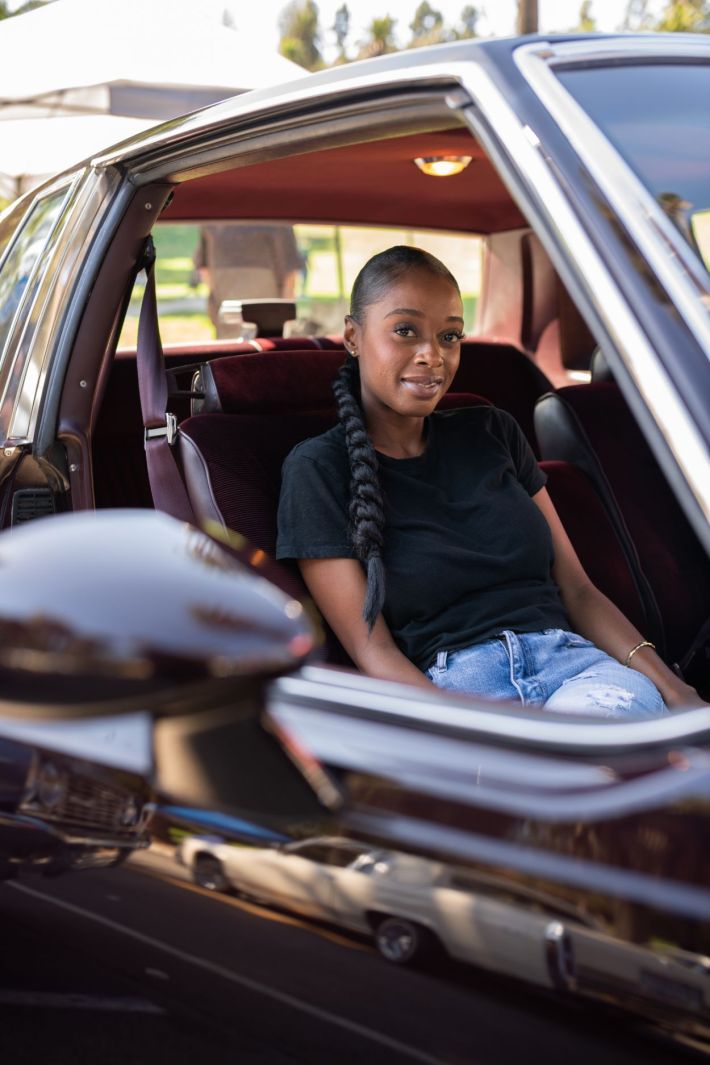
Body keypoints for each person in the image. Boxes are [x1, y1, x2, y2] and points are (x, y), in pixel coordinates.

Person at [276, 246, 702, 718]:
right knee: (569, 777)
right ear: (353, 337)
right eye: (405, 331)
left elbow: (579, 591)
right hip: (460, 691)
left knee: (602, 754)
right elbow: (374, 650)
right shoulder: (316, 469)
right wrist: (465, 738)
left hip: (578, 669)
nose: (432, 356)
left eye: (450, 336)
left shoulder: (492, 431)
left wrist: (671, 687)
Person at [193, 223, 305, 338]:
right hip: (266, 323)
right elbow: (290, 275)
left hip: (229, 315)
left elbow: (205, 271)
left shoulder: (214, 220)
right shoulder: (277, 220)